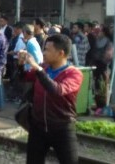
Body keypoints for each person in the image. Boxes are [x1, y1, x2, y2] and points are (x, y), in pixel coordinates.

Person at [23, 34, 83, 164]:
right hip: (38, 126)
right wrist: (20, 64)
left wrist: (38, 68)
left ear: (61, 53)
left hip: (62, 127)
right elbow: (25, 78)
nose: (43, 53)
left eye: (47, 50)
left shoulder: (73, 74)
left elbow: (57, 90)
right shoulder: (44, 68)